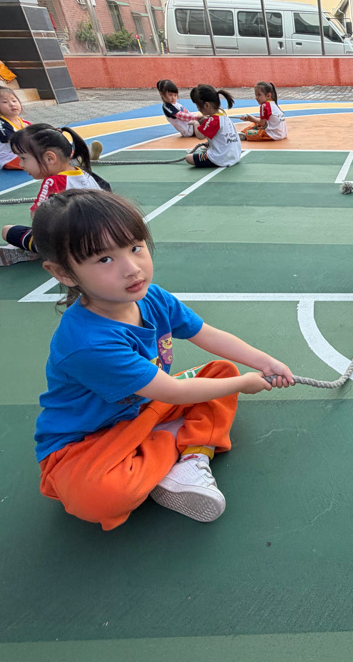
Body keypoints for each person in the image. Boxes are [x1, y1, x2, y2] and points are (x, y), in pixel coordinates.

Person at [32, 189, 294, 529]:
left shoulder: (153, 297)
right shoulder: (88, 342)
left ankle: (172, 459)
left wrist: (263, 361)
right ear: (64, 273)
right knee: (99, 498)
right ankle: (182, 447)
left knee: (221, 373)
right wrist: (244, 383)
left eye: (135, 247)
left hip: (145, 407)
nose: (132, 269)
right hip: (88, 440)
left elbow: (207, 335)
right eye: (104, 259)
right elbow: (173, 392)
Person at [0, 124, 110, 267]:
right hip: (104, 236)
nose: (21, 164)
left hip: (75, 245)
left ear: (50, 158)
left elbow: (38, 217)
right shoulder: (86, 174)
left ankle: (35, 250)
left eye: (23, 158)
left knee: (7, 231)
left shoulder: (53, 182)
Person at [185, 84, 242, 168]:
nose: (198, 109)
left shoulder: (213, 120)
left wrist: (195, 123)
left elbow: (200, 136)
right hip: (234, 155)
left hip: (220, 158)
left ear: (207, 105)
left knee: (188, 158)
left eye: (198, 106)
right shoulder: (222, 113)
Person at [0, 85, 31, 169]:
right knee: (43, 159)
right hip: (10, 158)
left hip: (24, 154)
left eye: (14, 100)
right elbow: (15, 142)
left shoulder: (24, 122)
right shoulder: (1, 124)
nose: (12, 104)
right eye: (5, 102)